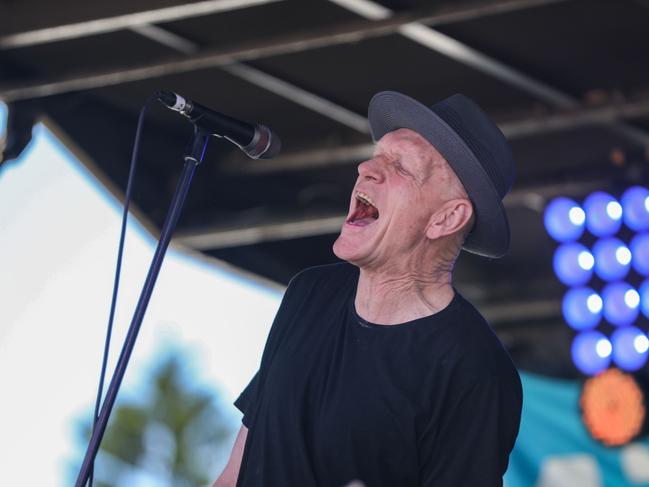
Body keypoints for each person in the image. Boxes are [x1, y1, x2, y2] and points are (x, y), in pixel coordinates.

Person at [213, 91, 522, 487]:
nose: (366, 167)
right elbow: (236, 472)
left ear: (447, 217)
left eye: (400, 165)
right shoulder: (310, 293)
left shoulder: (474, 369)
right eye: (377, 154)